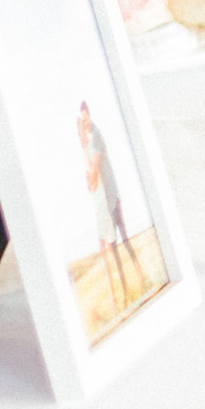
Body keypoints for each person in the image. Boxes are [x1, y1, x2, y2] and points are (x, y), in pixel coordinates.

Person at [78, 101, 138, 310]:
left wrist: (91, 177)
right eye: (82, 119)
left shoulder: (96, 136)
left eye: (85, 117)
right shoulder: (89, 140)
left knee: (122, 241)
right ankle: (120, 296)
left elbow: (94, 173)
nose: (84, 122)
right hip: (103, 199)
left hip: (109, 197)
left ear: (89, 115)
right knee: (110, 246)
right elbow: (90, 179)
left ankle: (131, 284)